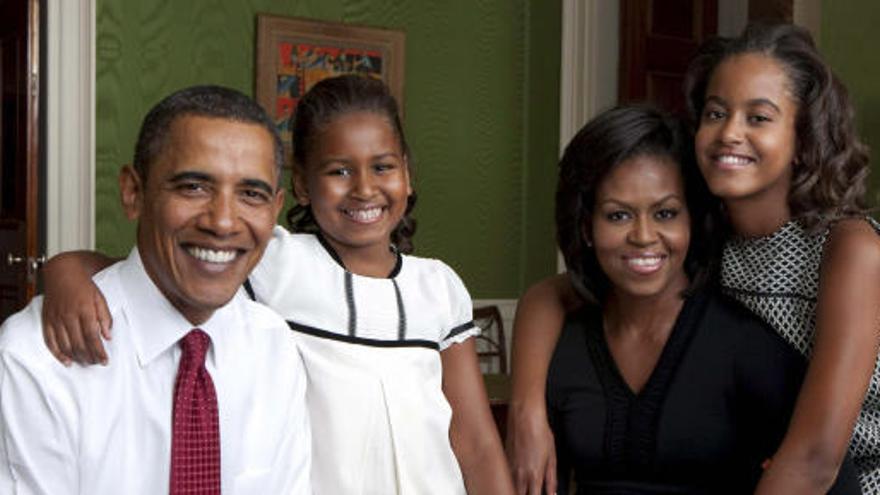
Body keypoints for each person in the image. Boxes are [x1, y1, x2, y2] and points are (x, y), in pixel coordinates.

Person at [36, 75, 513, 494]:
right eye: (339, 171)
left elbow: (475, 440)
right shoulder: (278, 262)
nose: (364, 189)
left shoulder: (439, 286)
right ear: (302, 186)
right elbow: (153, 274)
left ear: (407, 175)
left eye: (383, 167)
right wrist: (64, 270)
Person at [508, 22, 880, 495]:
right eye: (716, 112)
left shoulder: (849, 248)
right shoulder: (706, 238)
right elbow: (555, 292)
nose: (730, 133)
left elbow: (816, 458)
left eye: (758, 118)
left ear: (804, 137)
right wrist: (527, 410)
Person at [0, 85, 311, 494]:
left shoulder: (274, 347)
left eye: (251, 194)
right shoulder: (37, 357)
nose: (222, 222)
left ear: (275, 208)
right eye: (193, 187)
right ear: (134, 193)